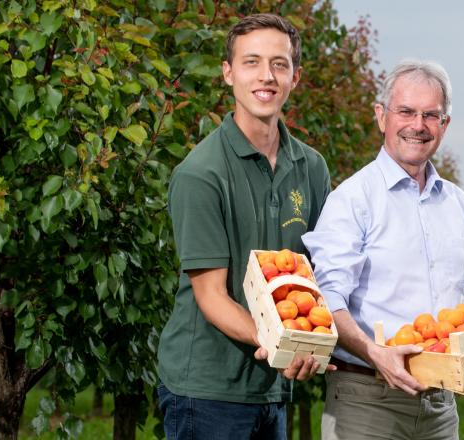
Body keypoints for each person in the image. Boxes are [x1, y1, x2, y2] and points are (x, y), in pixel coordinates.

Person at [156, 13, 331, 439]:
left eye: (279, 64)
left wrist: (311, 341)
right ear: (228, 72)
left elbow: (319, 275)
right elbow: (211, 296)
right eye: (251, 62)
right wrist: (283, 344)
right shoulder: (202, 173)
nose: (266, 76)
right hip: (207, 390)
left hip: (272, 388)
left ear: (295, 76)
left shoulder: (311, 167)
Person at [303, 59, 464, 440]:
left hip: (440, 405)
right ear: (381, 116)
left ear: (445, 125)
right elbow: (328, 298)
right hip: (367, 400)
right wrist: (374, 352)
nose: (417, 126)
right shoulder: (353, 199)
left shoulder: (461, 207)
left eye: (431, 115)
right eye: (405, 111)